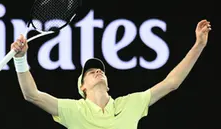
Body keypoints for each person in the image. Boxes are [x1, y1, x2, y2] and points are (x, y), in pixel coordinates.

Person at [11, 19, 211, 129]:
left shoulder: (130, 104)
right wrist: (20, 59)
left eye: (100, 71)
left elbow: (171, 82)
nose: (98, 71)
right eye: (90, 72)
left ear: (108, 84)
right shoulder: (72, 109)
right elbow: (32, 94)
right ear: (82, 87)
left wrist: (199, 45)